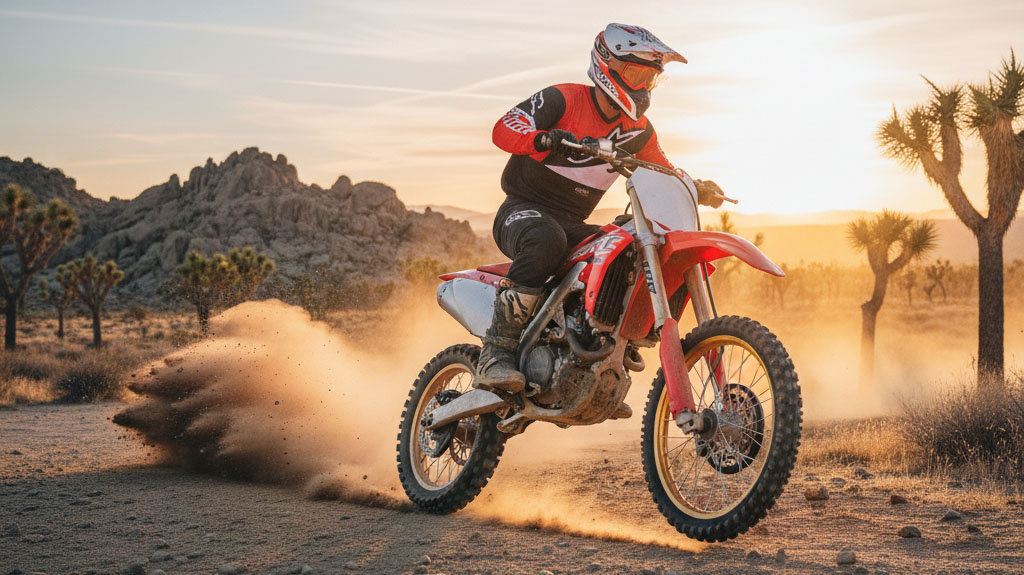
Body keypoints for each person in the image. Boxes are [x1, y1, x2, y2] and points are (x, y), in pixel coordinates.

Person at [478, 23, 725, 392]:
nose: (642, 87)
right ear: (607, 65)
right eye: (636, 75)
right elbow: (505, 127)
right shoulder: (564, 98)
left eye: (649, 79)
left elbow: (662, 169)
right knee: (547, 239)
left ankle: (611, 346)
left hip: (572, 223)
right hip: (522, 210)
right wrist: (541, 138)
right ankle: (494, 355)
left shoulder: (638, 129)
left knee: (632, 246)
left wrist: (694, 185)